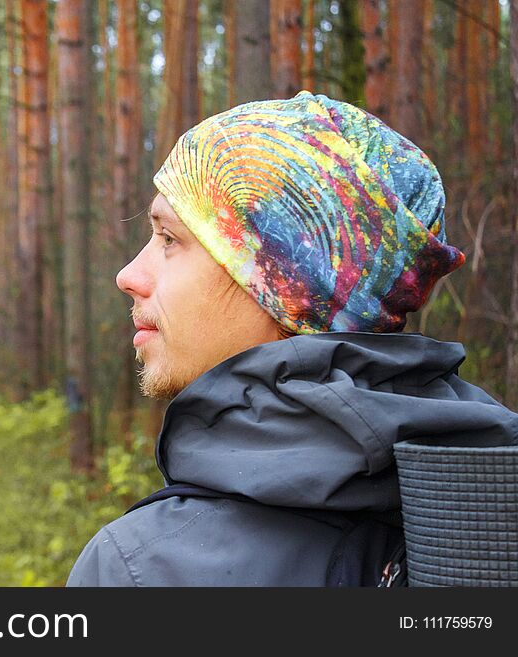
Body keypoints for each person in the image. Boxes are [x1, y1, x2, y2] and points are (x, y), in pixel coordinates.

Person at [66, 90, 518, 587]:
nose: (128, 275)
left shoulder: (142, 570)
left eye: (170, 240)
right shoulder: (485, 501)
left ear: (287, 286)